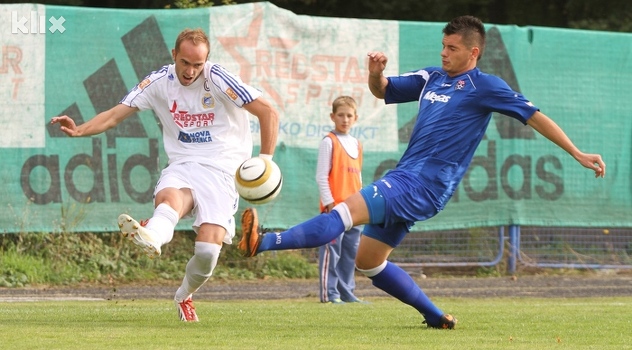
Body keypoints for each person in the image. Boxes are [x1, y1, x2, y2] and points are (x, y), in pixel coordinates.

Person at [238, 15, 605, 329]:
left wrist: (576, 152)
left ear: (473, 52)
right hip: (409, 179)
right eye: (443, 46)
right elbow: (382, 91)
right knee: (368, 261)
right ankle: (434, 316)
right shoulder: (431, 77)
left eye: (452, 49)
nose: (444, 53)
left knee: (344, 213)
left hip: (422, 184)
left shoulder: (486, 86)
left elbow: (534, 116)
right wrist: (375, 74)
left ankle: (265, 242)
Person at [51, 28, 279, 322]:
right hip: (184, 163)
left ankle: (183, 295)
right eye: (185, 63)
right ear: (174, 55)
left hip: (223, 170)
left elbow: (268, 112)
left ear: (206, 61)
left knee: (208, 252)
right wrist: (79, 128)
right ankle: (153, 235)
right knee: (170, 199)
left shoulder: (219, 78)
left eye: (198, 65)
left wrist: (266, 162)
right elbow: (114, 115)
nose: (191, 71)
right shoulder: (159, 82)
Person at [316, 96, 364, 304]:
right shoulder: (329, 141)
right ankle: (330, 294)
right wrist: (330, 204)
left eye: (349, 116)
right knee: (331, 252)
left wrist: (362, 205)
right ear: (332, 116)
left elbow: (358, 177)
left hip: (354, 211)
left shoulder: (357, 144)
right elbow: (321, 175)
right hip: (335, 210)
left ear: (356, 118)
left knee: (350, 253)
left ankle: (347, 293)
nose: (345, 119)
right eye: (341, 115)